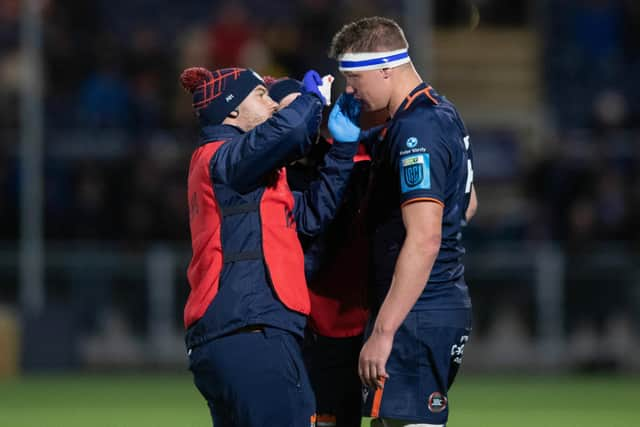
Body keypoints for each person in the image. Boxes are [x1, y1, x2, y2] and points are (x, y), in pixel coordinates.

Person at [179, 66, 360, 427]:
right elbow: (291, 129)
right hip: (250, 329)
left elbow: (309, 215)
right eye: (260, 96)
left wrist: (343, 150)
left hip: (242, 332)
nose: (272, 105)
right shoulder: (222, 155)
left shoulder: (244, 174)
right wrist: (311, 101)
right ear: (231, 110)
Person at [328, 17, 478, 427]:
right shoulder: (439, 111)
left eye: (354, 77)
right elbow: (467, 204)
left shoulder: (416, 129)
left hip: (417, 308)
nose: (350, 91)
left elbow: (426, 237)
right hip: (434, 303)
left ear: (385, 67)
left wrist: (384, 331)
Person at [268, 77, 380, 427]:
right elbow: (312, 216)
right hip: (305, 329)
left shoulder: (359, 154)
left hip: (360, 325)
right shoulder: (266, 175)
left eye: (303, 112)